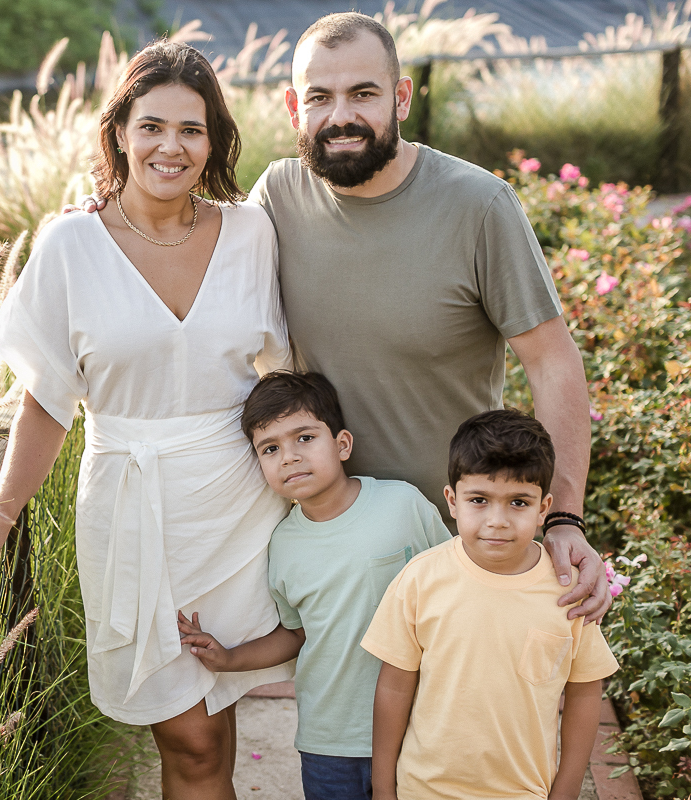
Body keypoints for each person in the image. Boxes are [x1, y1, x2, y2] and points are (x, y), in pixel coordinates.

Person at [78, 12, 610, 621]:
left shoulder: (480, 206)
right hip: (327, 545)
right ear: (292, 107)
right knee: (344, 718)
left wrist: (564, 517)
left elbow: (553, 364)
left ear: (401, 97)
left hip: (456, 545)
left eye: (363, 94)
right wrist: (108, 215)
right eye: (320, 98)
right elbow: (189, 248)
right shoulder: (277, 198)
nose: (340, 117)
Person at [0, 41, 294, 800]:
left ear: (214, 140)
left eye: (192, 129)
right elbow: (48, 395)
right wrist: (0, 511)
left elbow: (283, 372)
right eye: (152, 125)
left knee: (219, 723)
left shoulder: (251, 234)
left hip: (239, 506)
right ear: (120, 130)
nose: (171, 146)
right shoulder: (70, 245)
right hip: (131, 505)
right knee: (184, 734)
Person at [177, 370, 450, 800]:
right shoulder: (283, 545)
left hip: (419, 724)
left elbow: (458, 587)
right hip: (330, 738)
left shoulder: (403, 504)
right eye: (271, 448)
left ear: (342, 445)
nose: (289, 456)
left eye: (304, 438)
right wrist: (229, 658)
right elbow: (297, 633)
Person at [361, 409, 618, 800]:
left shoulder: (567, 589)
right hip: (423, 789)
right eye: (479, 499)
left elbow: (585, 691)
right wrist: (383, 788)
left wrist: (565, 792)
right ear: (452, 499)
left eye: (518, 502)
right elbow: (394, 688)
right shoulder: (421, 579)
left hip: (523, 792)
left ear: (543, 508)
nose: (497, 520)